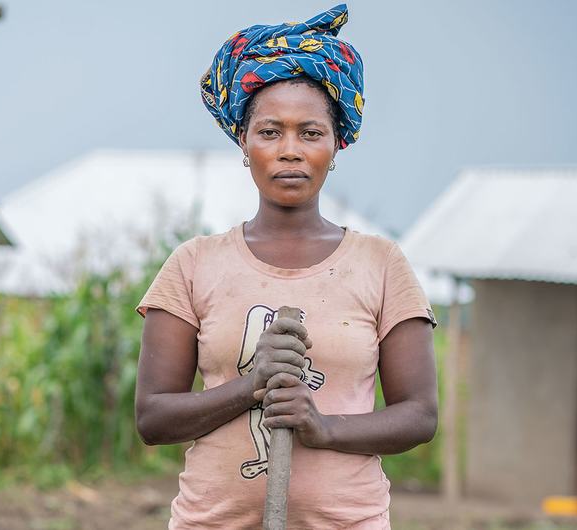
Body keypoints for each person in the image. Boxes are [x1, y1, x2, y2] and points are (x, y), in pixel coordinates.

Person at [133, 5, 438, 529]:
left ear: (337, 145)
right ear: (244, 143)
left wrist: (324, 428)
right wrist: (251, 385)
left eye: (311, 133)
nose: (290, 151)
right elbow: (153, 417)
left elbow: (419, 415)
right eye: (270, 132)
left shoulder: (381, 265)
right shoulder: (193, 265)